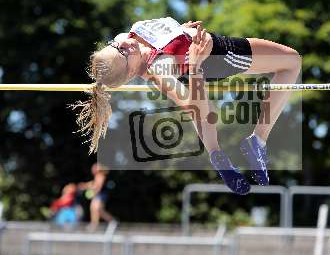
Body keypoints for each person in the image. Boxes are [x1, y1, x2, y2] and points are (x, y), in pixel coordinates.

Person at [72, 17, 301, 195]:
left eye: (116, 45)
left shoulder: (126, 38)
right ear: (131, 72)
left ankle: (215, 153)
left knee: (203, 110)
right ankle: (258, 140)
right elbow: (195, 107)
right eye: (124, 54)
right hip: (221, 54)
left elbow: (155, 39)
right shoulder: (159, 68)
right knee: (292, 62)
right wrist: (195, 65)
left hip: (197, 57)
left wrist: (178, 32)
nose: (124, 46)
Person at [78, 163, 115, 230]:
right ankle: (95, 224)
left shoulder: (101, 176)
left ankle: (112, 221)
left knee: (98, 210)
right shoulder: (97, 176)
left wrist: (93, 192)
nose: (93, 169)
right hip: (98, 194)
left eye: (94, 168)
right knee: (95, 209)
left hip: (101, 195)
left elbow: (98, 187)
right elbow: (92, 184)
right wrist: (84, 186)